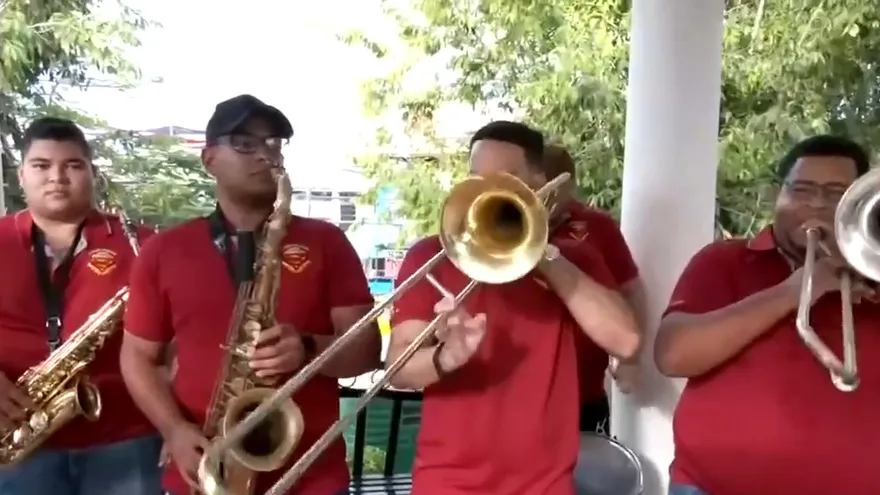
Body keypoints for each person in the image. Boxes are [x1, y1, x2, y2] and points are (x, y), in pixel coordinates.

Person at [120, 94, 380, 495]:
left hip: (311, 475)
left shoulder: (327, 241)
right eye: (244, 143)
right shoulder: (164, 250)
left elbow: (366, 350)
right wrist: (173, 429)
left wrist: (311, 347)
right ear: (209, 160)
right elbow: (136, 356)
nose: (264, 154)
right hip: (204, 469)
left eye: (274, 143)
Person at [387, 121, 641, 495]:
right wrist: (446, 357)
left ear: (539, 183)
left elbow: (627, 342)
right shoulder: (430, 256)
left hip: (546, 485)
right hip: (447, 482)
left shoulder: (575, 261)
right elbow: (399, 369)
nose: (488, 191)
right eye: (477, 177)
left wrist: (544, 256)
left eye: (506, 180)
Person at [655, 135, 880, 495]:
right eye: (801, 190)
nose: (817, 205)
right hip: (711, 487)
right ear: (779, 194)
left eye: (836, 193)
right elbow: (673, 356)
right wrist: (794, 290)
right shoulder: (723, 260)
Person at [0, 117, 161, 494]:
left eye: (72, 165)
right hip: (17, 436)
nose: (56, 177)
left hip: (124, 438)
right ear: (21, 174)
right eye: (41, 166)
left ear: (93, 173)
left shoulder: (143, 244)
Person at [542, 144, 646, 432]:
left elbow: (631, 290)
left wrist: (630, 359)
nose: (547, 198)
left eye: (555, 188)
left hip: (583, 392)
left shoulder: (597, 226)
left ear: (569, 185)